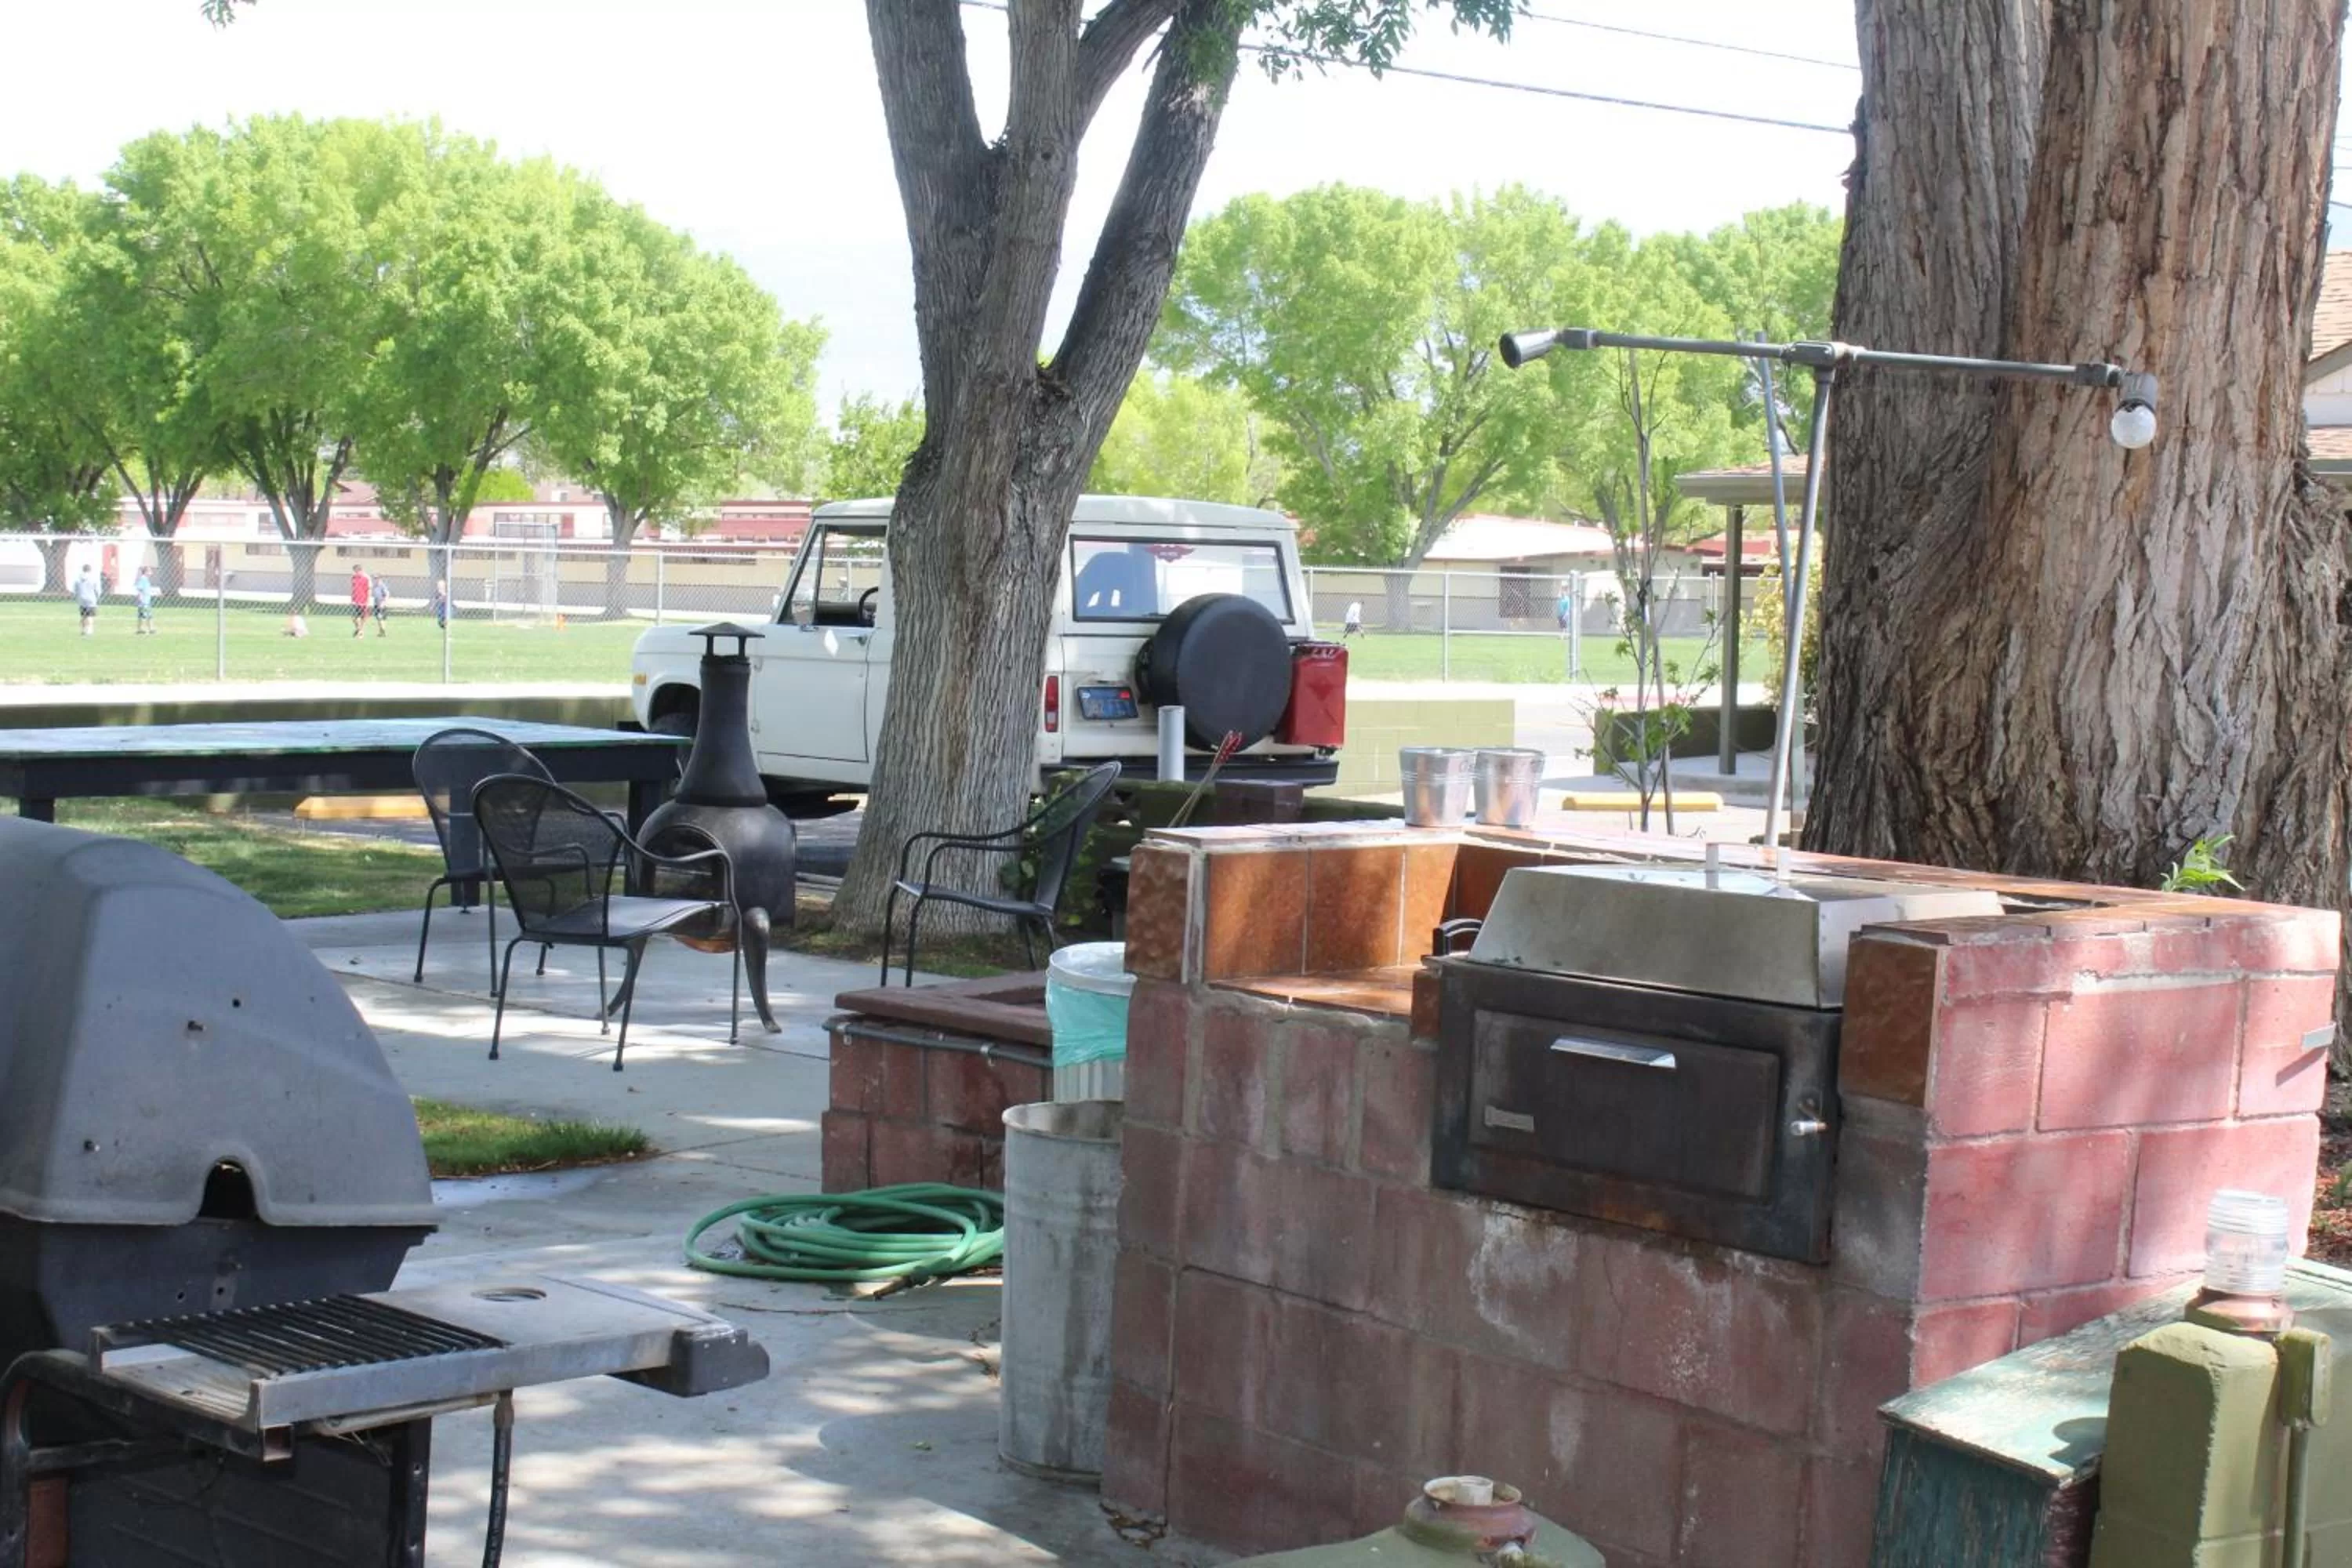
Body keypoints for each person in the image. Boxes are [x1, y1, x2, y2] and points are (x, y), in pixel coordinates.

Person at [72, 565, 100, 637]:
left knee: (83, 616)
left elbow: (75, 590)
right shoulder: (93, 578)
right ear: (90, 570)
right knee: (90, 616)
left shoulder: (78, 579)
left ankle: (83, 630)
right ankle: (89, 630)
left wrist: (77, 597)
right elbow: (97, 590)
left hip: (81, 599)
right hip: (91, 600)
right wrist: (97, 597)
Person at [349, 564, 370, 638]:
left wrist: (368, 601)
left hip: (363, 601)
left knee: (363, 617)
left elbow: (368, 590)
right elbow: (353, 589)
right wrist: (352, 599)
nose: (355, 572)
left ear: (360, 570)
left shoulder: (366, 578)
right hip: (355, 601)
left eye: (356, 571)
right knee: (354, 618)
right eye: (354, 571)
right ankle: (359, 629)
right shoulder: (353, 578)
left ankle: (360, 631)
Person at [133, 568, 156, 635]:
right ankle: (141, 629)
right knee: (143, 615)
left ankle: (151, 629)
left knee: (149, 615)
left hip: (147, 600)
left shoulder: (146, 580)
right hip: (143, 601)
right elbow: (140, 589)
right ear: (146, 572)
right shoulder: (142, 579)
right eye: (150, 572)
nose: (151, 573)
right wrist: (141, 598)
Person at [371, 571, 391, 636]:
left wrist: (383, 603)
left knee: (380, 618)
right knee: (379, 618)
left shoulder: (382, 586)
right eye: (375, 578)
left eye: (377, 578)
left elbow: (387, 594)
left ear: (380, 578)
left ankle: (383, 630)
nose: (375, 579)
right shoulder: (374, 586)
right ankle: (381, 632)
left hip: (382, 604)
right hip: (376, 604)